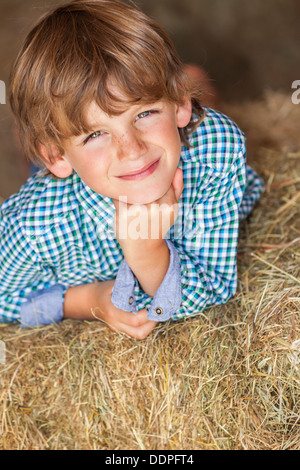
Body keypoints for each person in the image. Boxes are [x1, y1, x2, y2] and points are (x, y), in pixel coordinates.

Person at [0, 0, 264, 339]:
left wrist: (145, 248)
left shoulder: (214, 150)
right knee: (40, 153)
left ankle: (196, 88)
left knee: (204, 112)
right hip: (59, 178)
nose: (133, 150)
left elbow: (213, 287)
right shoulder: (36, 224)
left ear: (180, 104)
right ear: (58, 157)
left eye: (145, 113)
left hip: (185, 122)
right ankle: (40, 149)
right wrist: (88, 299)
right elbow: (5, 300)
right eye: (96, 133)